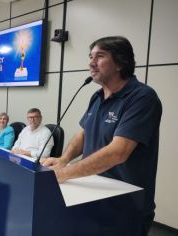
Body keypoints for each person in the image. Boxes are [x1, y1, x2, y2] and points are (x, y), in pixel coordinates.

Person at [41, 36, 162, 235]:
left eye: (100, 56)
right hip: (93, 193)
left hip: (125, 204)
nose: (91, 62)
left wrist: (64, 173)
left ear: (120, 62)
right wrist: (63, 160)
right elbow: (84, 133)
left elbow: (118, 152)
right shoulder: (97, 96)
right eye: (90, 56)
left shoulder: (142, 97)